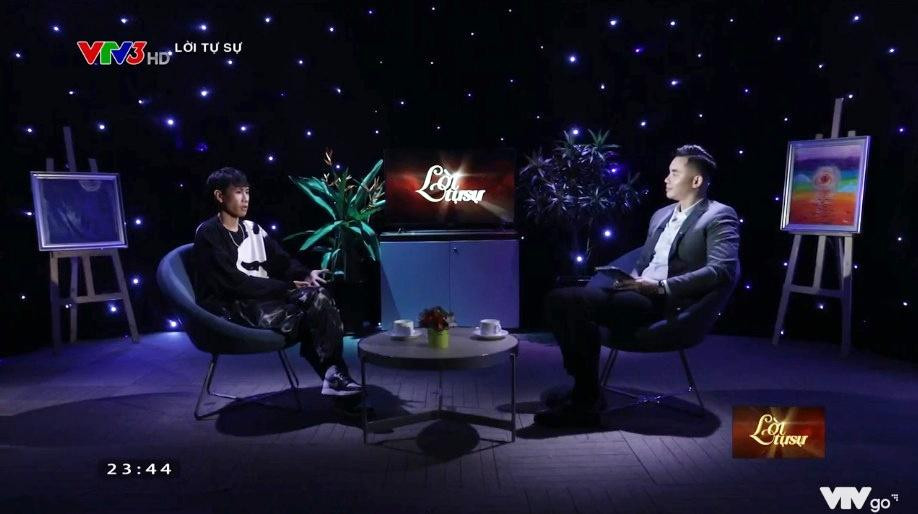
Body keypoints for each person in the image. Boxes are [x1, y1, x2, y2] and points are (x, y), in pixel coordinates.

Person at [536, 145, 740, 427]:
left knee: (572, 302)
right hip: (639, 292)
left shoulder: (719, 216)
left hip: (668, 302)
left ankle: (585, 400)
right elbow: (644, 261)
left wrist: (661, 287)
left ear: (696, 180)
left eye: (674, 173)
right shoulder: (661, 214)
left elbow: (722, 270)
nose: (666, 179)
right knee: (558, 301)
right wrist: (629, 280)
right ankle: (586, 388)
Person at [191, 167, 363, 398]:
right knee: (313, 318)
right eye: (238, 192)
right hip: (232, 307)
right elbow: (233, 283)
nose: (245, 198)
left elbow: (282, 261)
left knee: (319, 296)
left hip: (263, 299)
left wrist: (306, 275)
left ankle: (335, 376)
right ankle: (339, 385)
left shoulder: (253, 229)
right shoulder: (208, 233)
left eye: (247, 192)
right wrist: (286, 287)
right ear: (220, 196)